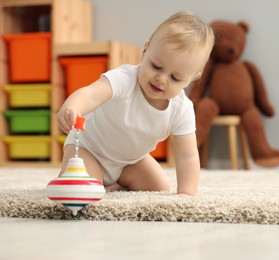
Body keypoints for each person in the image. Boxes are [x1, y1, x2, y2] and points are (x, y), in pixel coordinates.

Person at [56, 11, 214, 196]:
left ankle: (116, 183)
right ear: (145, 50)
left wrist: (186, 195)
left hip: (129, 162)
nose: (161, 79)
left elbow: (187, 157)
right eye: (156, 66)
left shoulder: (182, 109)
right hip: (89, 149)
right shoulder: (124, 79)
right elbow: (91, 94)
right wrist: (73, 107)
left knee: (160, 187)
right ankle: (77, 177)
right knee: (84, 190)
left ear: (192, 78)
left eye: (175, 77)